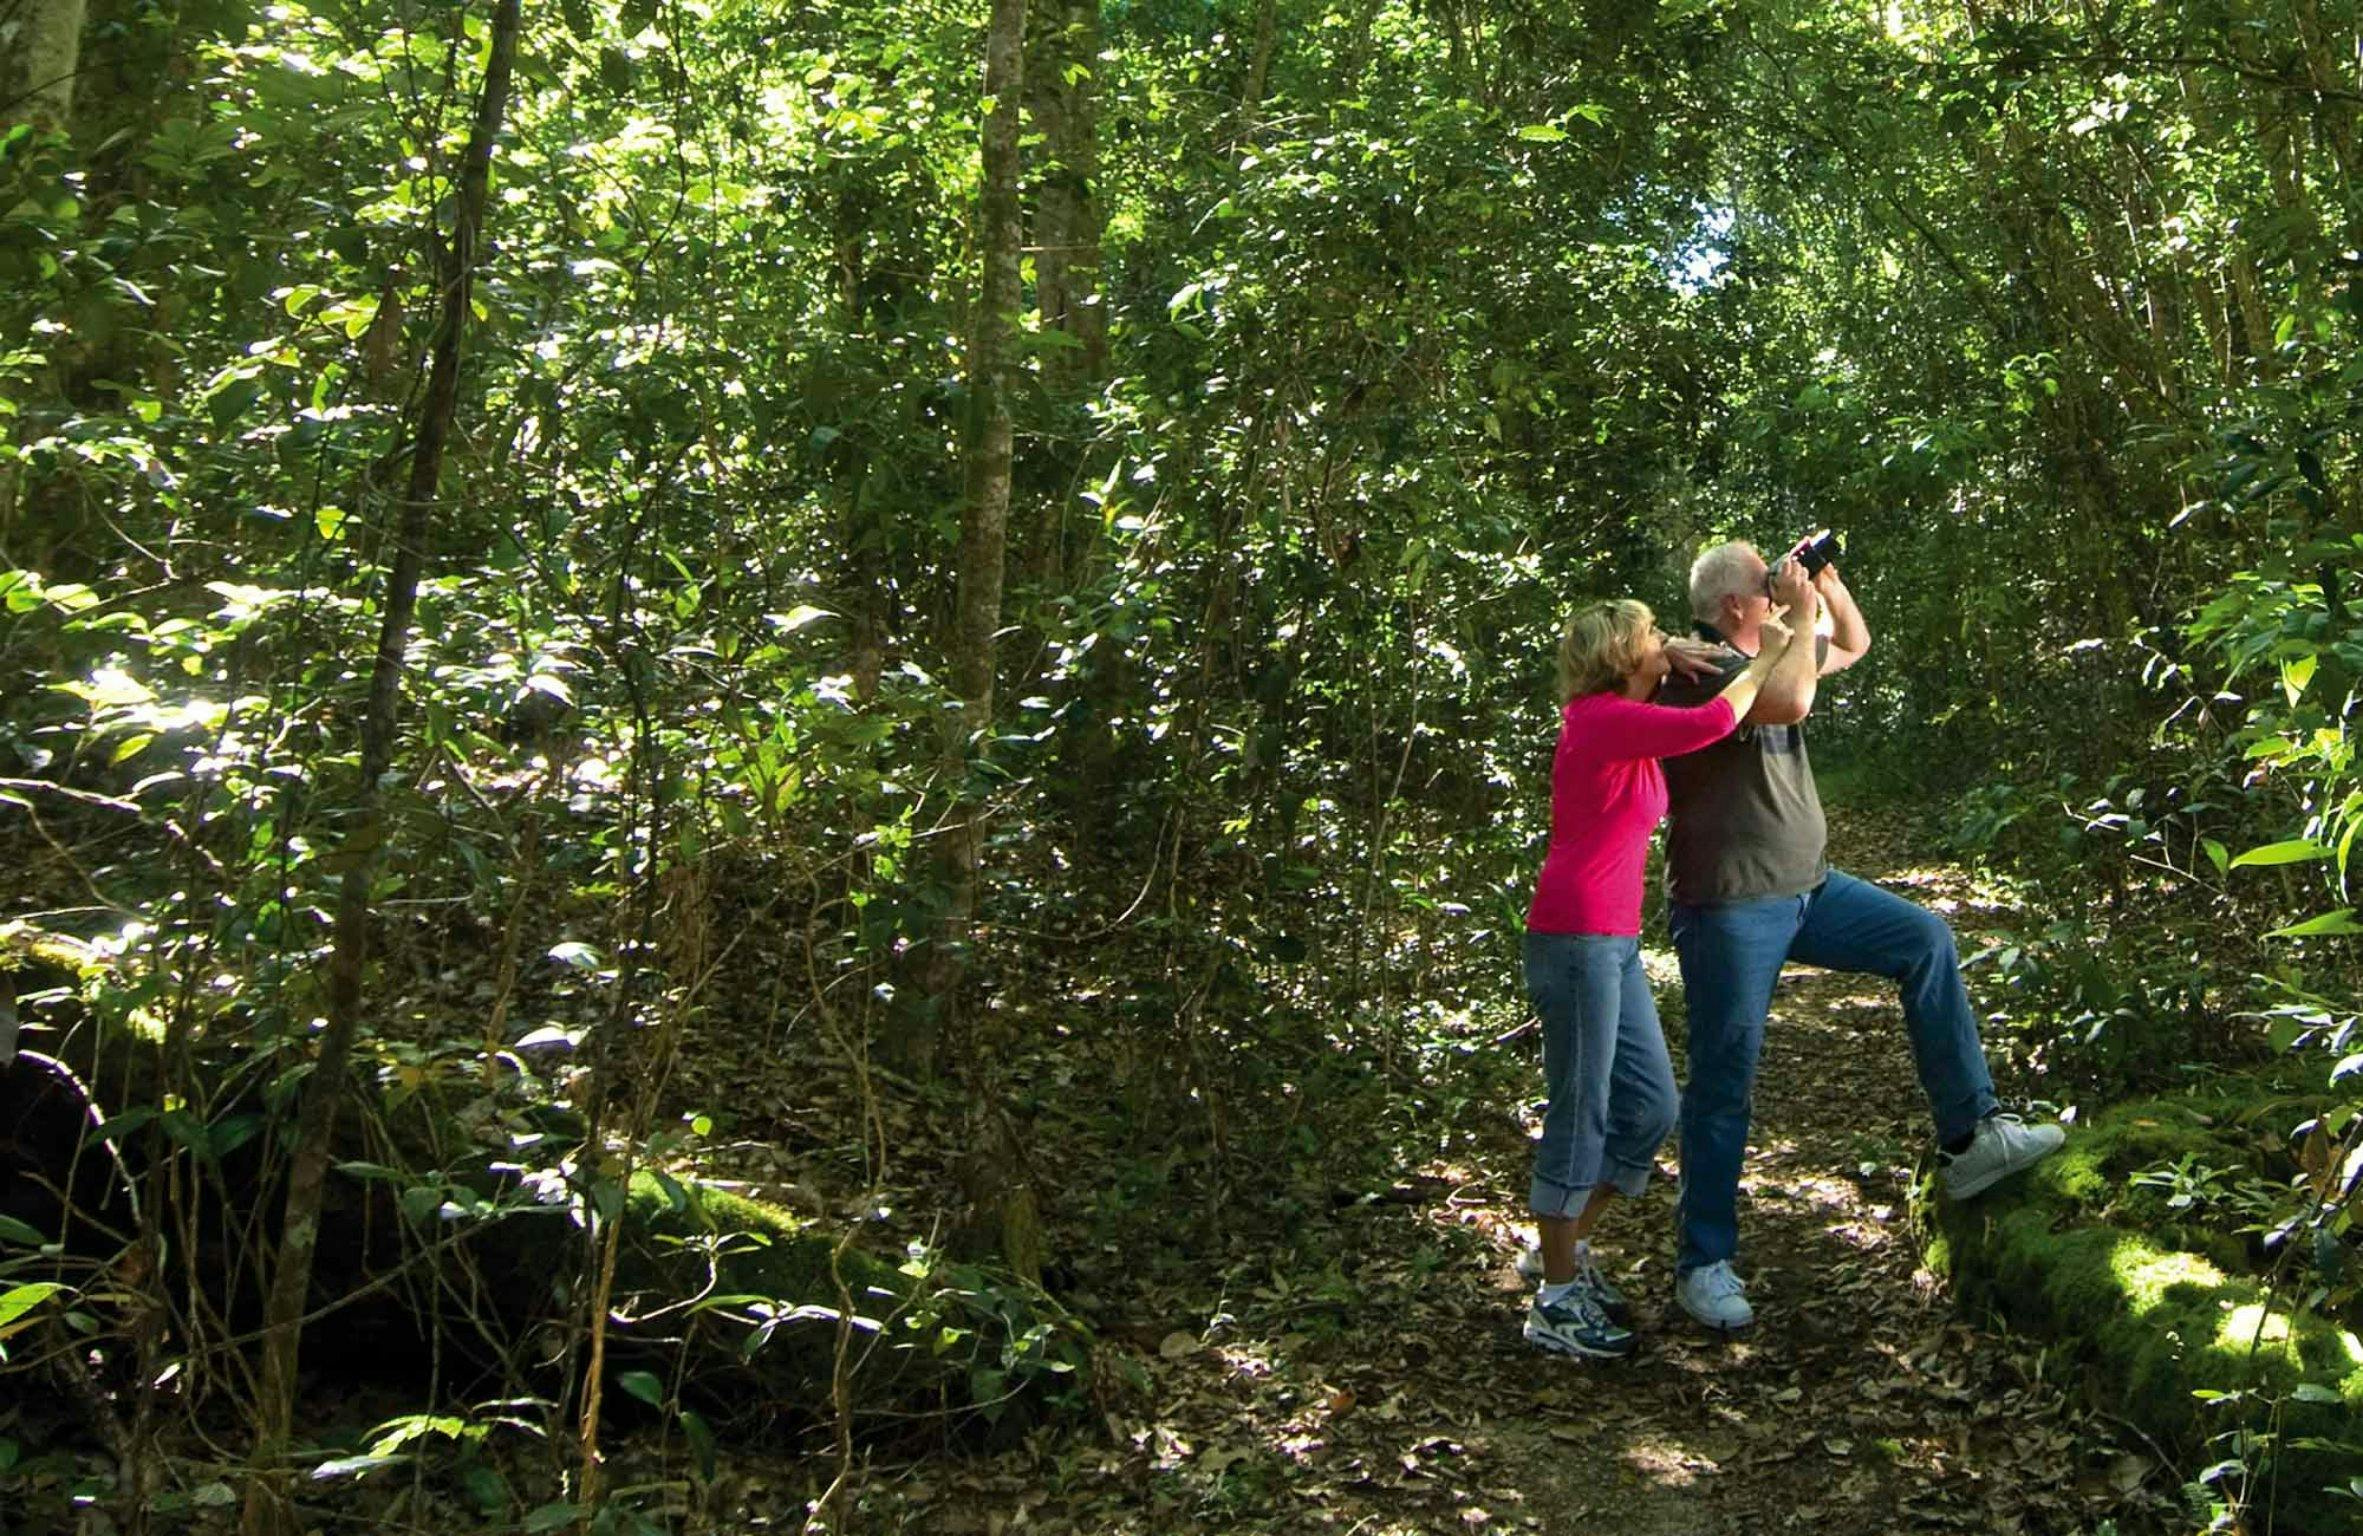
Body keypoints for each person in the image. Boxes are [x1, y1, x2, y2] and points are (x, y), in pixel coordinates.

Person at [1655, 540, 2065, 1333]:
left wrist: (1829, 587)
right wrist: (1800, 608)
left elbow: (1851, 645)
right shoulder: (1695, 672)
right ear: (1736, 604)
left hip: (1809, 890)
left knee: (1923, 941)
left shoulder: (1777, 644)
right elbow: (1788, 703)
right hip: (1729, 905)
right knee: (1723, 1082)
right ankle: (1701, 1262)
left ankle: (1970, 1134)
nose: (1777, 588)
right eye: (1763, 582)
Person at [1518, 593, 1815, 1360]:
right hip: (1575, 935)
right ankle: (1553, 1298)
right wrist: (1774, 650)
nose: (1666, 641)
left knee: (1649, 1106)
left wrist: (1674, 653)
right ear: (1621, 655)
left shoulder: (1623, 710)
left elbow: (1678, 678)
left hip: (1610, 941)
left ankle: (1561, 1250)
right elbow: (1714, 722)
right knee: (1580, 1110)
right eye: (1651, 635)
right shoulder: (1601, 719)